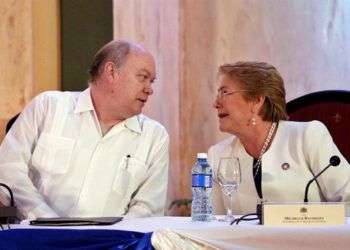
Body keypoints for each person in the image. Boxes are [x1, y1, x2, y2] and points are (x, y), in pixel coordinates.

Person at [0, 40, 169, 219]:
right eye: (143, 77)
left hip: (109, 244)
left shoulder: (155, 137)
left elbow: (147, 208)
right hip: (34, 238)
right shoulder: (48, 107)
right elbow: (8, 169)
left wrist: (113, 238)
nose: (149, 89)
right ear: (111, 72)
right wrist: (48, 223)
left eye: (152, 81)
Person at [208, 61, 350, 215]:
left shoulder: (307, 136)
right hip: (241, 240)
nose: (215, 103)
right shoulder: (217, 155)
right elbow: (212, 222)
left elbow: (348, 200)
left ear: (256, 101)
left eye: (225, 92)